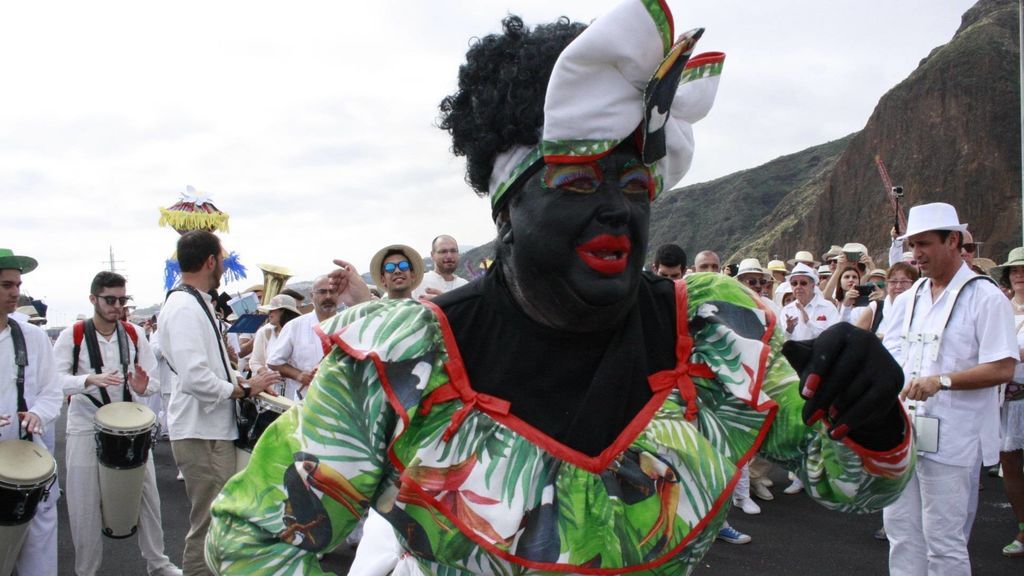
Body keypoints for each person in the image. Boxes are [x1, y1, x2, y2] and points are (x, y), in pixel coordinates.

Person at [207, 3, 913, 573]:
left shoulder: (710, 332)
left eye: (634, 185)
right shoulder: (402, 365)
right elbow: (251, 544)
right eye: (577, 181)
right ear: (508, 210)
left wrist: (873, 410)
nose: (616, 208)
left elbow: (854, 485)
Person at [881, 202, 1017, 575]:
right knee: (901, 532)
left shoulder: (985, 296)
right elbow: (891, 353)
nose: (917, 254)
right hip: (905, 432)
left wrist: (942, 381)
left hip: (956, 436)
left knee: (944, 540)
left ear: (953, 240)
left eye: (924, 244)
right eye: (913, 245)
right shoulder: (908, 299)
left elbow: (1004, 366)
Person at [158, 231, 281, 576]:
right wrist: (244, 390)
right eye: (222, 259)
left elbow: (202, 370)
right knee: (209, 526)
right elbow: (196, 379)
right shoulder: (184, 306)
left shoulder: (195, 301)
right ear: (211, 261)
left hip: (210, 429)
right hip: (202, 433)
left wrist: (237, 377)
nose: (224, 266)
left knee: (219, 524)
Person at [53, 271, 181, 576]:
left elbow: (151, 380)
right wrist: (87, 379)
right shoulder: (73, 335)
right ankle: (86, 570)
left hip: (130, 425)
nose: (117, 305)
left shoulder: (134, 334)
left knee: (148, 493)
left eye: (122, 299)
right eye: (110, 299)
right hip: (85, 423)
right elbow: (53, 382)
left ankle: (158, 562)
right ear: (93, 299)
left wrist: (142, 386)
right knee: (83, 501)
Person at [0, 248, 61, 576]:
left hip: (29, 464)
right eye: (6, 285)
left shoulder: (33, 338)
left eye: (17, 284)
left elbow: (52, 392)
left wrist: (39, 412)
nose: (15, 292)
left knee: (39, 552)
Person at [990, 246, 1024, 557]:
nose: (1020, 275)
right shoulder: (999, 308)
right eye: (1015, 271)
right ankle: (1023, 527)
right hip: (1006, 400)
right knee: (1010, 466)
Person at [267, 275, 339, 401]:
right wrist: (298, 375)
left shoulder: (350, 324)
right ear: (312, 296)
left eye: (332, 291)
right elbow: (274, 362)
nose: (328, 296)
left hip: (339, 403)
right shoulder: (295, 326)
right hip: (303, 402)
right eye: (322, 292)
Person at [248, 294, 301, 376]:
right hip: (271, 386)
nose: (269, 313)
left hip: (295, 385)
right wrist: (269, 378)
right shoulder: (264, 332)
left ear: (283, 311)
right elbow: (255, 362)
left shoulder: (300, 332)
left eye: (272, 310)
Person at [782, 263, 838, 340]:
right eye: (794, 283)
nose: (798, 287)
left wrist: (808, 323)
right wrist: (789, 331)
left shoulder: (828, 307)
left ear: (813, 285)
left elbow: (833, 337)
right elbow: (782, 341)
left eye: (803, 283)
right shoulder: (787, 310)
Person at [412, 235, 469, 300]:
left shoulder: (464, 285)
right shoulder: (418, 283)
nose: (449, 256)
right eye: (443, 251)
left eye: (453, 251)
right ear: (432, 255)